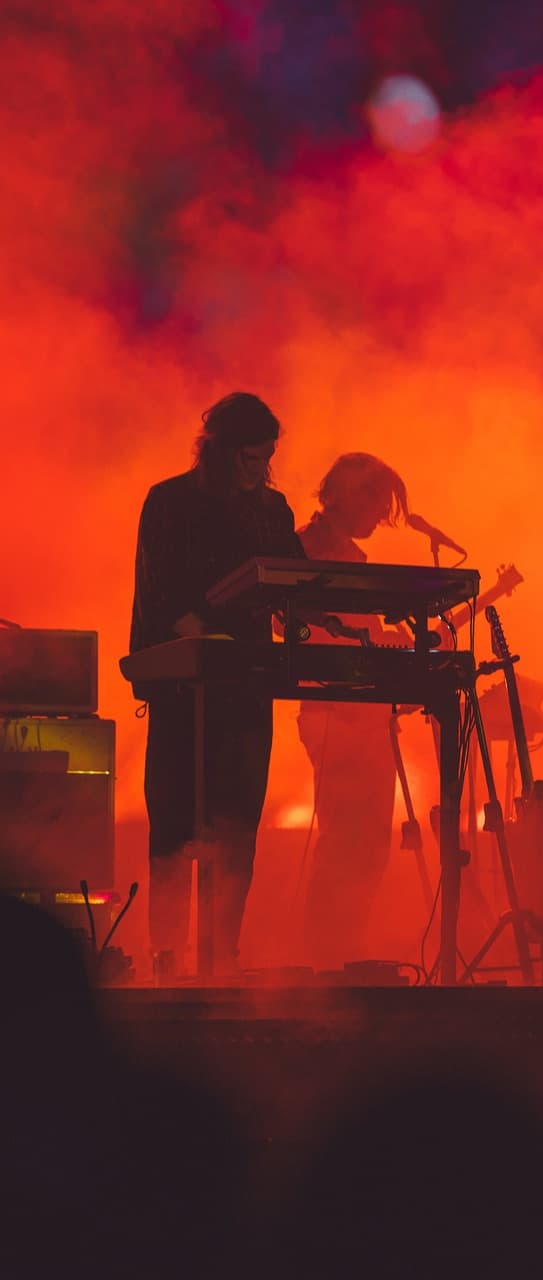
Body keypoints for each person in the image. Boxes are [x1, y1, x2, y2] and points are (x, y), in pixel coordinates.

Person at [130, 392, 305, 975]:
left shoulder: (270, 510)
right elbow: (160, 597)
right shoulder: (169, 502)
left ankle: (222, 953)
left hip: (246, 686)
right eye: (252, 458)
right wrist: (208, 641)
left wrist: (325, 620)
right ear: (220, 450)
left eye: (267, 458)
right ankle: (167, 955)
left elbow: (297, 583)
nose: (261, 470)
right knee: (174, 823)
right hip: (183, 686)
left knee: (237, 825)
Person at [296, 453, 411, 966]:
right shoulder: (305, 548)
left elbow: (361, 634)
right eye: (378, 504)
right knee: (346, 837)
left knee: (370, 843)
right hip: (333, 711)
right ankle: (327, 953)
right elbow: (291, 624)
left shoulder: (351, 556)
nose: (382, 516)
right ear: (346, 495)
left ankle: (346, 949)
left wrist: (388, 647)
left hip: (366, 712)